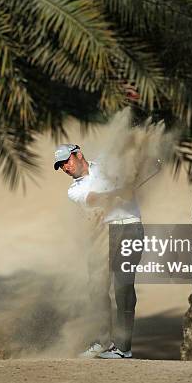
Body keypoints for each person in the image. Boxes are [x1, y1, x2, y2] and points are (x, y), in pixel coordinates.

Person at [54, 144, 144, 359]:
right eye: (61, 166)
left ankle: (123, 348)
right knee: (96, 287)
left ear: (78, 155)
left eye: (67, 161)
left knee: (123, 286)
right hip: (103, 235)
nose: (65, 167)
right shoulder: (74, 190)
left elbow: (127, 168)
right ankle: (102, 343)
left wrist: (128, 183)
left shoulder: (106, 167)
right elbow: (95, 199)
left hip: (130, 228)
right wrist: (118, 192)